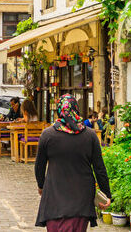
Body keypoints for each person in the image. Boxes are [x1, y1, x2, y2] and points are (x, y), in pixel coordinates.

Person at [35, 94, 111, 231]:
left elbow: (39, 166)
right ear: (76, 109)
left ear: (59, 111)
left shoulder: (47, 135)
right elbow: (99, 168)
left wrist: (41, 185)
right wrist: (106, 194)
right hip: (81, 198)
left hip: (54, 196)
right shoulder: (90, 135)